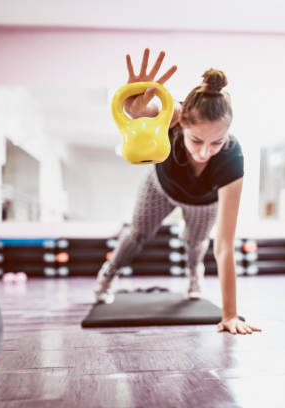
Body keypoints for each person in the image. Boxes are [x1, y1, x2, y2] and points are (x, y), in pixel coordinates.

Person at [94, 49, 260, 335]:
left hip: (203, 203)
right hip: (161, 186)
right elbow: (143, 112)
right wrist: (133, 109)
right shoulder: (173, 115)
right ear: (182, 122)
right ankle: (107, 277)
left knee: (196, 244)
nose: (204, 153)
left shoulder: (233, 158)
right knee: (137, 234)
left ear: (227, 135)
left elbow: (224, 244)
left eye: (216, 143)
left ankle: (195, 276)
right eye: (196, 140)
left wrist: (230, 315)